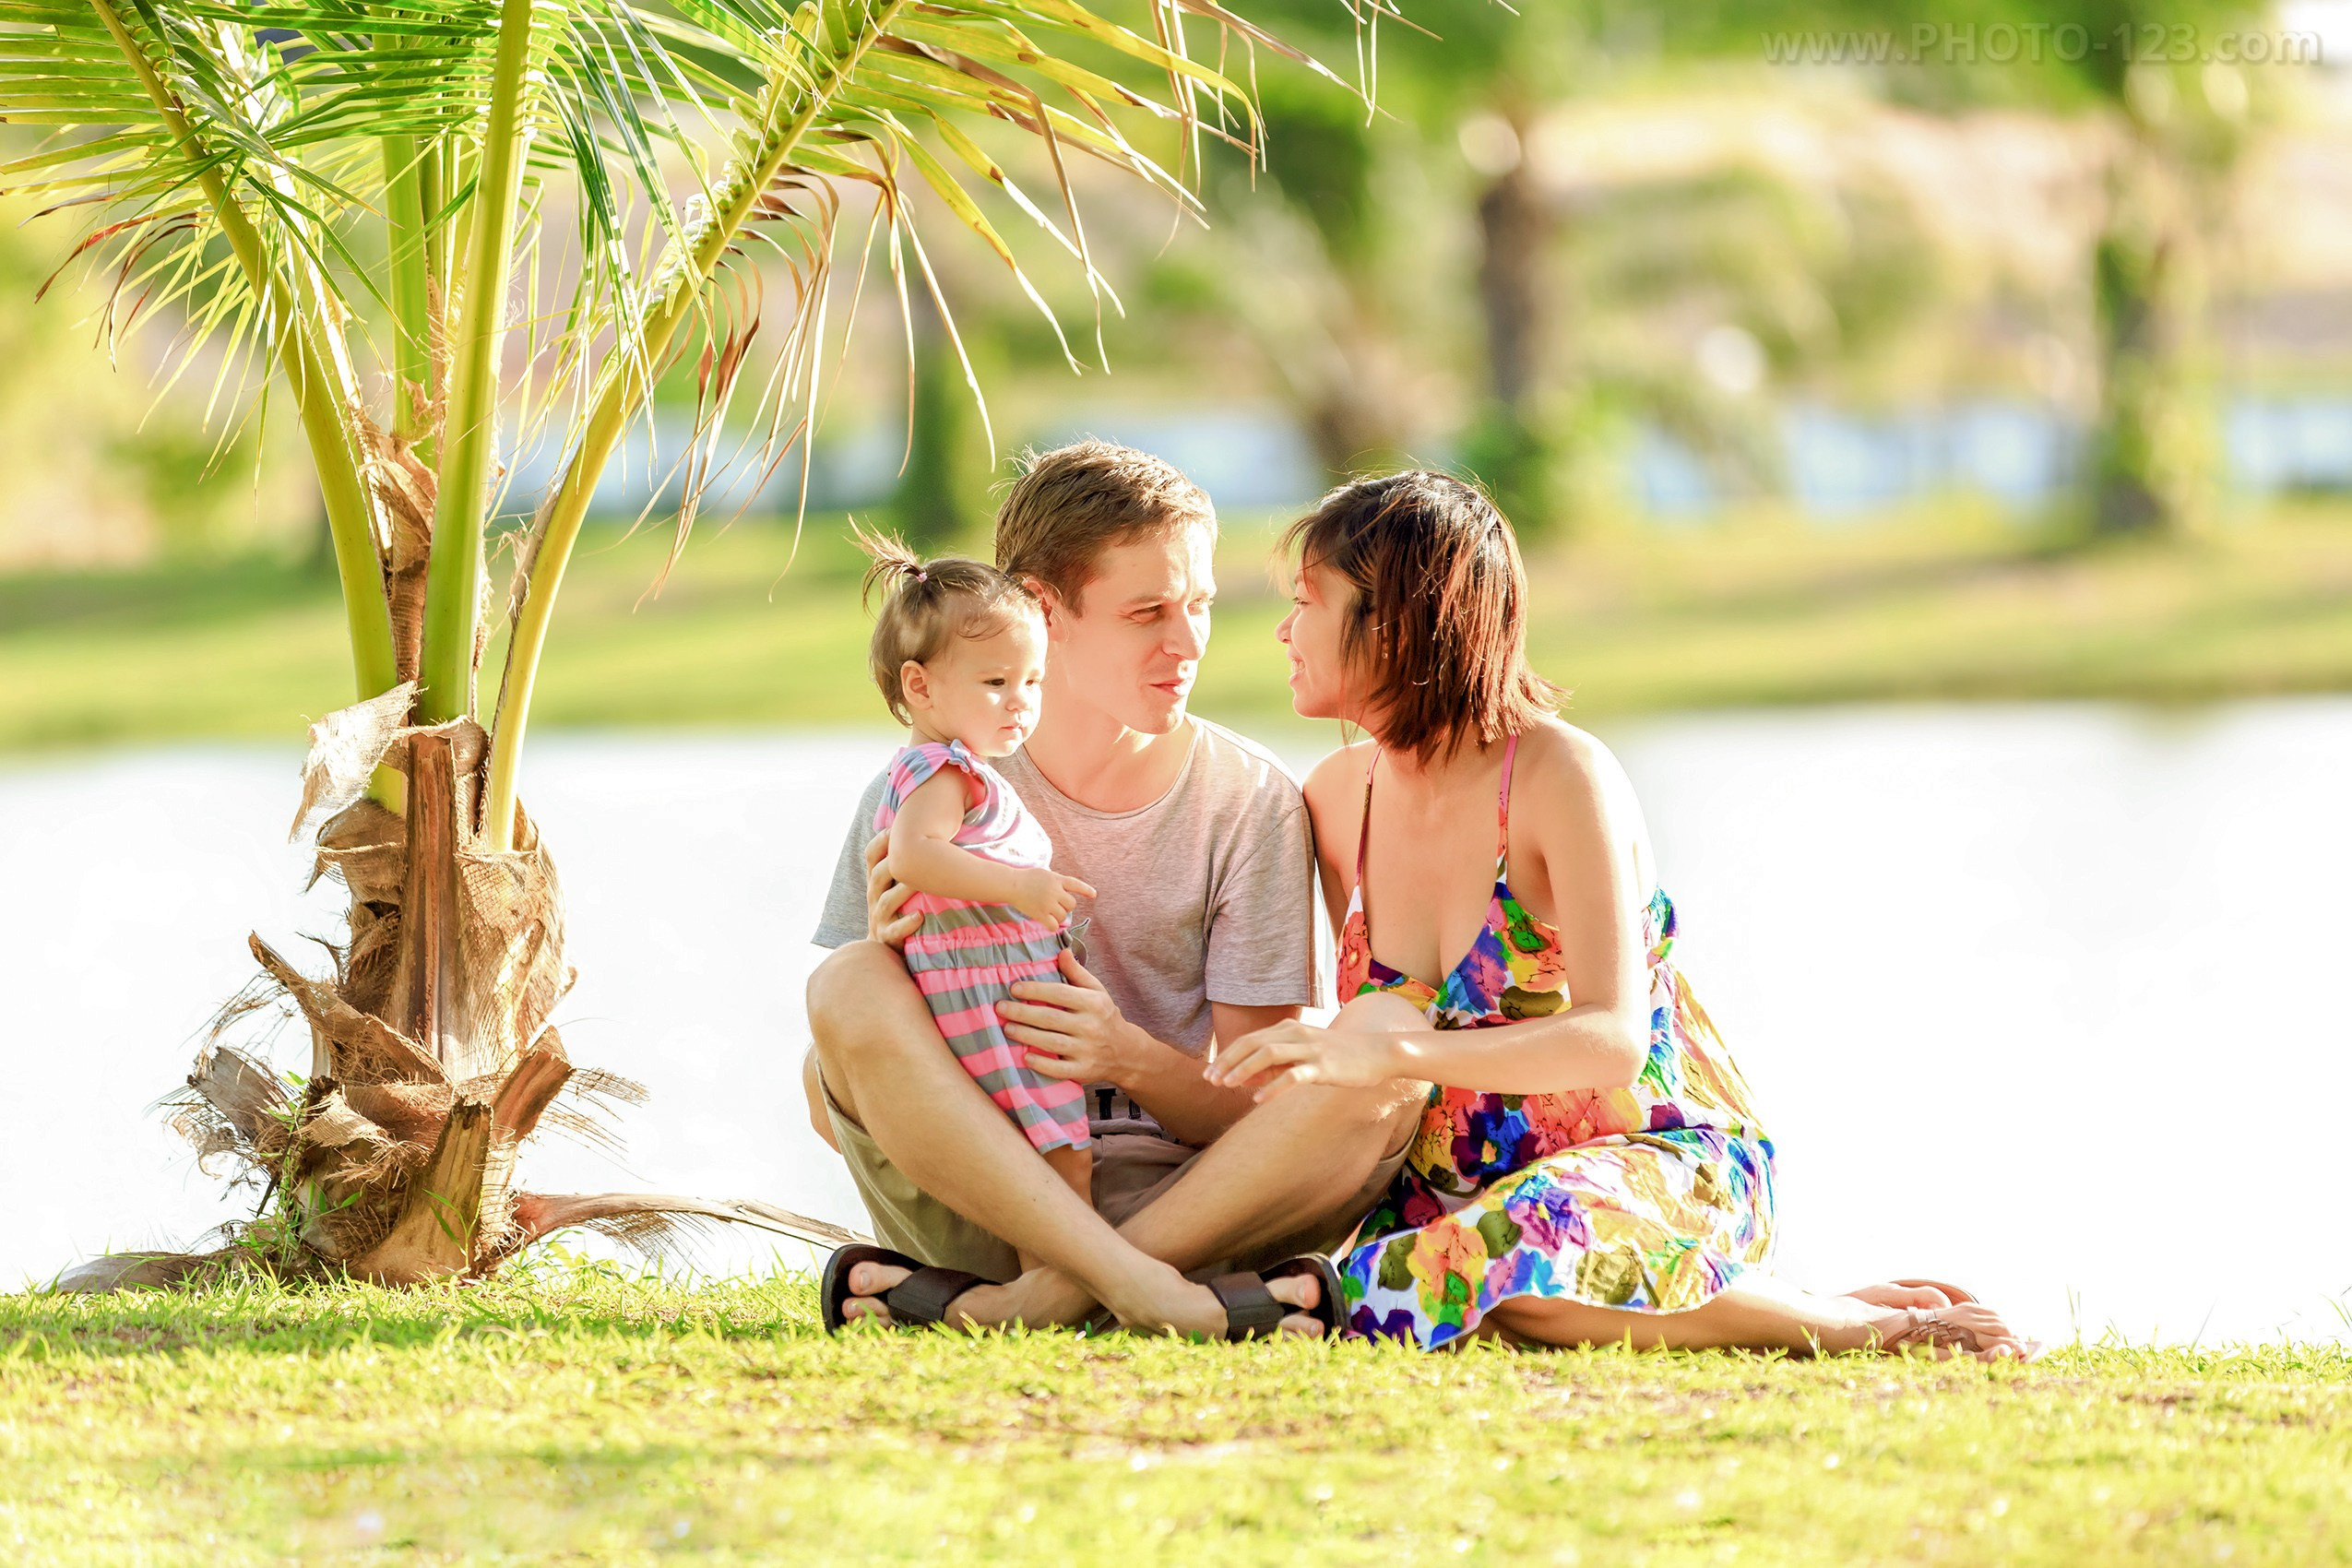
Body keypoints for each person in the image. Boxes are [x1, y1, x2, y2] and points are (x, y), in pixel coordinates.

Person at [1210, 470, 2039, 1360]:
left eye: (1307, 603)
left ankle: (1866, 1327)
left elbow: (1612, 1038)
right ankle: (1748, 1301)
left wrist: (1395, 1050)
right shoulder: (1336, 798)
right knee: (1469, 1273)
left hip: (1649, 1160)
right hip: (1450, 1195)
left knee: (1521, 1268)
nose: (1285, 631)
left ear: (1400, 621)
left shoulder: (1559, 775)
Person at [803, 441, 1423, 1337]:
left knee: (1382, 1070)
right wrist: (912, 970)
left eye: (1199, 604)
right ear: (1044, 612)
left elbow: (1254, 1106)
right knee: (843, 987)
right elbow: (844, 1087)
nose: (1188, 642)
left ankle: (1042, 1300)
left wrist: (1123, 1055)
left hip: (1187, 1195)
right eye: (1147, 612)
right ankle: (1154, 1291)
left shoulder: (1246, 799)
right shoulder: (930, 787)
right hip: (993, 1198)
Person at [851, 532, 1096, 1221]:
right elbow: (914, 857)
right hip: (991, 1002)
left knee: (1038, 1152)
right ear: (919, 685)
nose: (1020, 702)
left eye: (1032, 681)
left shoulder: (942, 769)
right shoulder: (942, 770)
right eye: (996, 683)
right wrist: (1020, 887)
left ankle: (1051, 1281)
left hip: (989, 991)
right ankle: (1064, 1284)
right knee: (1057, 1147)